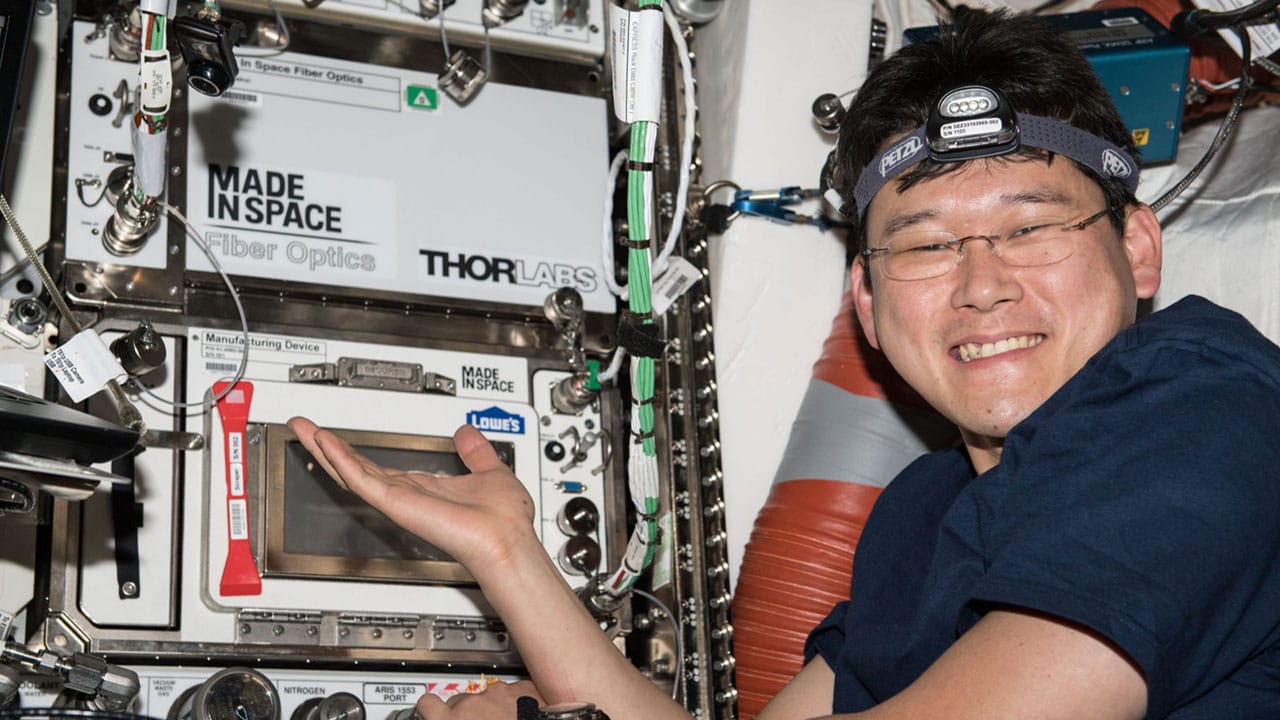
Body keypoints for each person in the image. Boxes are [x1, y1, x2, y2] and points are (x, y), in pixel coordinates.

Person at [288, 7, 1280, 719]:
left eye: (1031, 228)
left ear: (1137, 248)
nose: (983, 285)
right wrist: (509, 555)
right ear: (868, 306)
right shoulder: (922, 511)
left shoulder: (1208, 410)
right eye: (927, 244)